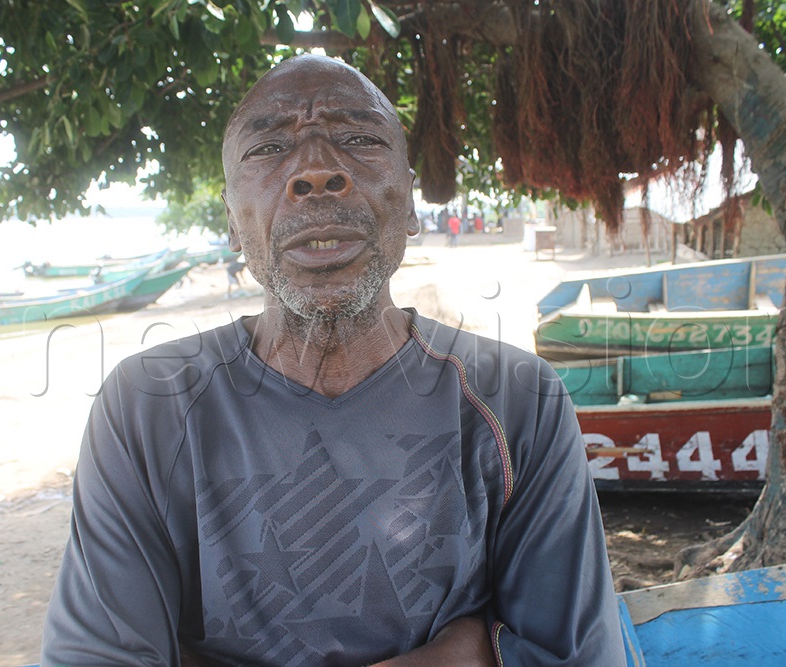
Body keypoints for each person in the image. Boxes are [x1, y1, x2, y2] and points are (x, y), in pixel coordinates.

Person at [42, 54, 624, 666]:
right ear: (232, 223)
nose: (316, 171)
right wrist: (462, 653)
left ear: (410, 207)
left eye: (359, 139)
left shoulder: (517, 400)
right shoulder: (147, 405)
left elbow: (576, 653)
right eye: (268, 149)